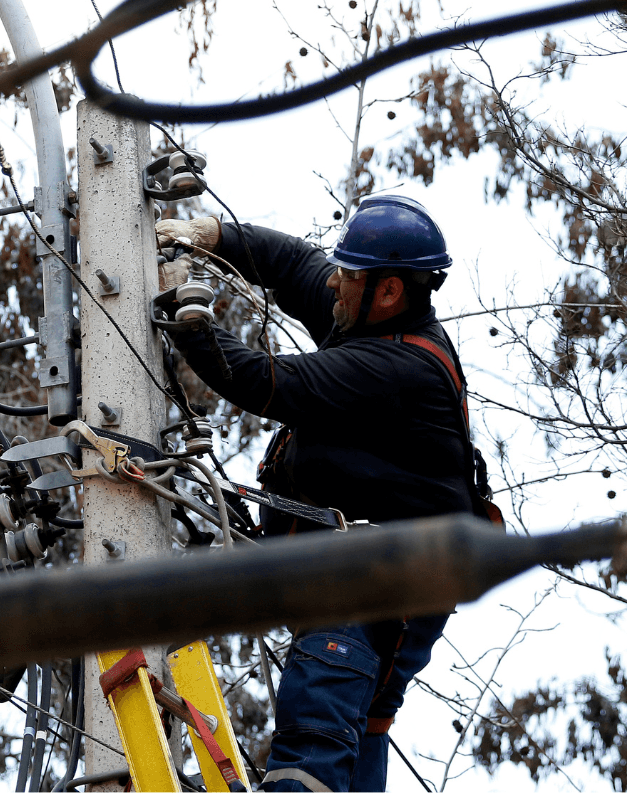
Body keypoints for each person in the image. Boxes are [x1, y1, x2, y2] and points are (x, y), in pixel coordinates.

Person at [155, 196, 492, 792]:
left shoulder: (401, 368)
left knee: (325, 685)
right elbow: (293, 265)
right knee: (363, 721)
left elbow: (271, 382)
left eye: (350, 276)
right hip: (377, 577)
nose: (335, 283)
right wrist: (213, 236)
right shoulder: (363, 309)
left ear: (388, 292)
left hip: (384, 585)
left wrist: (190, 322)